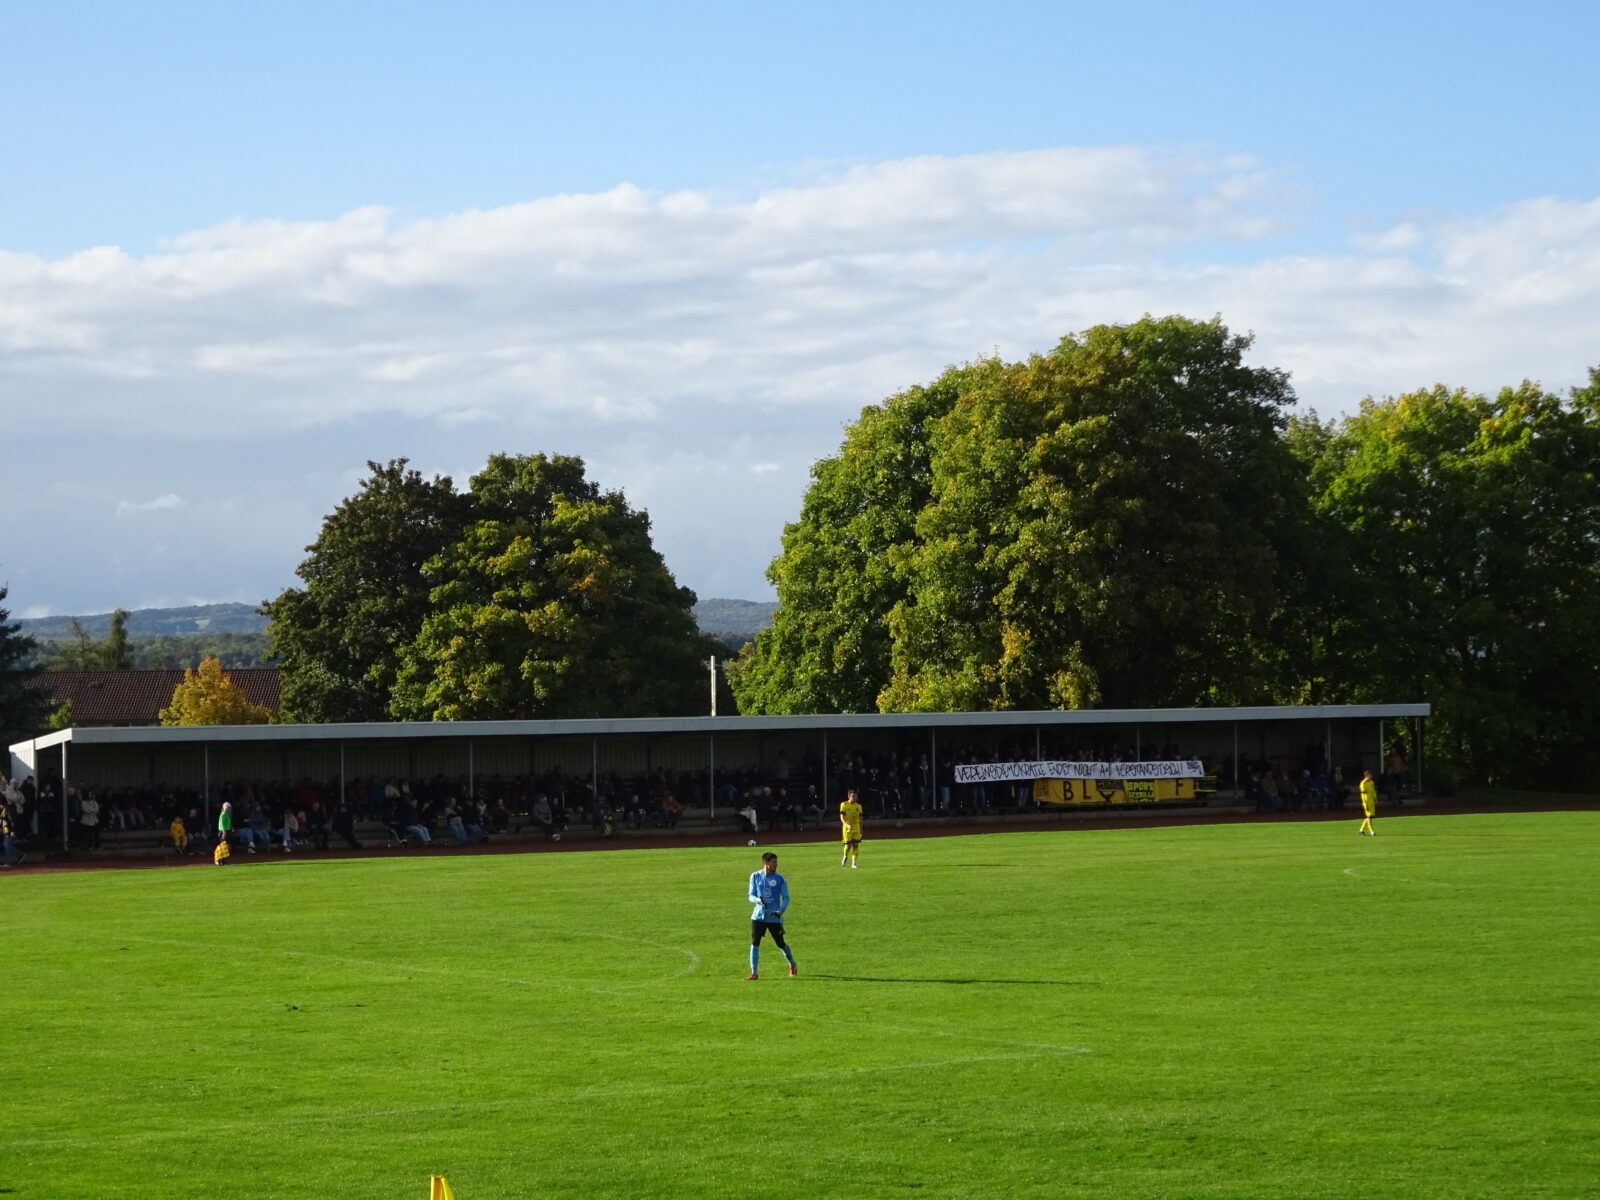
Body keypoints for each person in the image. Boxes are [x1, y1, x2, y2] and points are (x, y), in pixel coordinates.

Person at [745, 851, 797, 980]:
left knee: (780, 943)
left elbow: (786, 898)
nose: (776, 864)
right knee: (755, 943)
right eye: (774, 862)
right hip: (758, 916)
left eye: (776, 862)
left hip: (774, 916)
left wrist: (781, 910)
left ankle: (792, 964)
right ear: (766, 863)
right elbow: (750, 895)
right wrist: (757, 900)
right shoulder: (755, 876)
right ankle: (754, 973)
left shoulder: (780, 879)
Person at [839, 787, 863, 868]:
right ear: (849, 796)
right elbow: (842, 817)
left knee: (856, 845)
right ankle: (845, 857)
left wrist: (861, 831)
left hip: (856, 828)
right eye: (853, 796)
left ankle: (854, 863)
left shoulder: (859, 806)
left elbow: (860, 819)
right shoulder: (844, 804)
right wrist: (846, 825)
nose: (854, 798)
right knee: (848, 846)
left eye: (855, 796)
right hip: (847, 829)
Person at [1358, 770, 1378, 836]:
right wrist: (1365, 804)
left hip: (1371, 802)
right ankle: (1371, 831)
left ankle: (1361, 830)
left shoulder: (1371, 782)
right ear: (1366, 776)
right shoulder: (1363, 784)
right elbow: (1363, 795)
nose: (1371, 776)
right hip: (1366, 803)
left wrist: (1375, 798)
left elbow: (1373, 791)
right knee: (1369, 817)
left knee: (1370, 817)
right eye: (1370, 775)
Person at [214, 801, 233, 865]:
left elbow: (227, 823)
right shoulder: (223, 815)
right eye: (228, 807)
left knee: (224, 847)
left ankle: (222, 862)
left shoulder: (226, 815)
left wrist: (231, 827)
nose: (229, 809)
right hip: (223, 832)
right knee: (222, 847)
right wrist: (224, 832)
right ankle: (218, 860)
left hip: (226, 831)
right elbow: (222, 824)